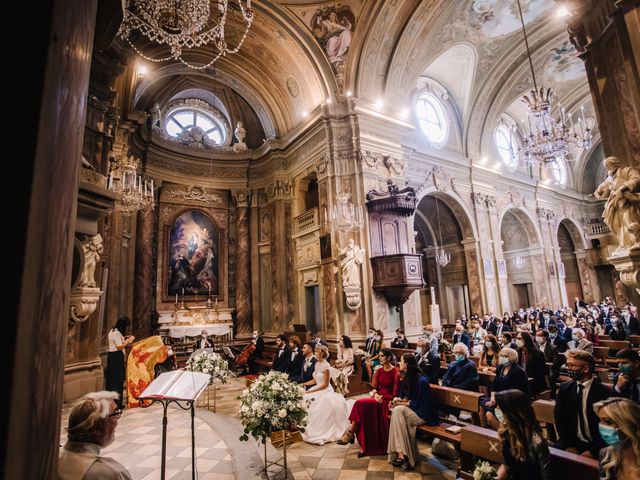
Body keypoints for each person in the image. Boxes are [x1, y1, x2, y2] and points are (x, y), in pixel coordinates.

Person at [57, 391, 133, 480]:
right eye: (115, 414)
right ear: (97, 429)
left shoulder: (49, 460)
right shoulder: (112, 474)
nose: (117, 421)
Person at [338, 349, 400, 457]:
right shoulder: (379, 371)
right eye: (379, 356)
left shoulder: (395, 372)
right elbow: (374, 387)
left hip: (387, 401)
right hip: (377, 398)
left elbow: (395, 393)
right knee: (359, 404)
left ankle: (350, 433)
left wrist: (382, 397)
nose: (380, 358)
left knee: (360, 404)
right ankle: (352, 433)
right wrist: (375, 394)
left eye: (382, 356)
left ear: (389, 358)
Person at [554, 349, 615, 457]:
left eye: (571, 365)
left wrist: (593, 452)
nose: (567, 368)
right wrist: (569, 446)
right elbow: (560, 419)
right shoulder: (565, 388)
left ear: (585, 369)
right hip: (572, 441)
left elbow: (611, 428)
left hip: (597, 444)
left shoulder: (605, 393)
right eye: (567, 365)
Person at [387, 353, 439, 470]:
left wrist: (400, 403)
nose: (399, 363)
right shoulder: (407, 377)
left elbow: (418, 404)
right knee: (397, 411)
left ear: (406, 364)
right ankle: (404, 455)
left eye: (400, 361)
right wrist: (397, 401)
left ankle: (402, 454)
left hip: (423, 414)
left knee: (398, 411)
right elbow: (406, 397)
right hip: (412, 410)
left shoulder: (422, 381)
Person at [494, 389, 552, 480]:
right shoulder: (507, 434)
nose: (498, 411)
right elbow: (507, 464)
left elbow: (547, 476)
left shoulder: (537, 441)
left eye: (501, 409)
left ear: (512, 413)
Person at [301, 345, 352, 445]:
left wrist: (310, 391)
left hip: (325, 390)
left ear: (322, 354)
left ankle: (317, 430)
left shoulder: (326, 366)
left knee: (311, 400)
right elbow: (315, 380)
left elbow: (325, 384)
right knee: (304, 397)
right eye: (315, 352)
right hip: (317, 388)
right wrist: (304, 384)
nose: (315, 353)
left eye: (317, 352)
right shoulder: (317, 364)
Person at [594, 156, 640, 250]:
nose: (607, 168)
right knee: (615, 224)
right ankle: (625, 244)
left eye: (608, 165)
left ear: (615, 164)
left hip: (627, 201)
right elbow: (603, 187)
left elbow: (636, 179)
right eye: (606, 166)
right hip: (614, 205)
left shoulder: (627, 171)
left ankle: (637, 241)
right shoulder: (611, 178)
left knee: (630, 221)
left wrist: (622, 187)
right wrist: (598, 192)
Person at [481, 347, 530, 430]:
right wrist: (493, 397)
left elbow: (514, 391)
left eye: (505, 356)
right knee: (481, 404)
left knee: (489, 415)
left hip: (513, 401)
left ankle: (505, 435)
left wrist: (498, 400)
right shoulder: (500, 367)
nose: (502, 358)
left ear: (512, 357)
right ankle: (483, 431)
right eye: (501, 355)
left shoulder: (518, 371)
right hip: (499, 398)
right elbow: (494, 385)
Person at [593, 397, 640, 480]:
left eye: (607, 422)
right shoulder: (606, 455)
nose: (601, 426)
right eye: (600, 421)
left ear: (628, 425)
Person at [442, 343, 479, 417]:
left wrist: (453, 389)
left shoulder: (470, 365)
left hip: (463, 392)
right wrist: (445, 386)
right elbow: (446, 377)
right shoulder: (452, 364)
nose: (458, 354)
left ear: (465, 354)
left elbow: (470, 382)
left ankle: (453, 418)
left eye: (460, 353)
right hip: (452, 390)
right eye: (456, 352)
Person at [105, 317, 135, 409]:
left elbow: (118, 340)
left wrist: (125, 338)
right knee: (117, 381)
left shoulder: (112, 331)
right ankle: (116, 404)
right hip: (116, 357)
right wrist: (129, 341)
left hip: (113, 357)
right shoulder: (117, 333)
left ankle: (113, 403)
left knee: (113, 380)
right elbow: (119, 347)